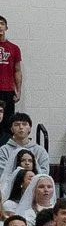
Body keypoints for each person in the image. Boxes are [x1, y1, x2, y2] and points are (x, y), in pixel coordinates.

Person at [0, 15, 21, 143]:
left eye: (2, 23)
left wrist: (18, 90)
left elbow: (17, 70)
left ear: (6, 27)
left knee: (8, 123)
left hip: (7, 90)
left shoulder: (14, 48)